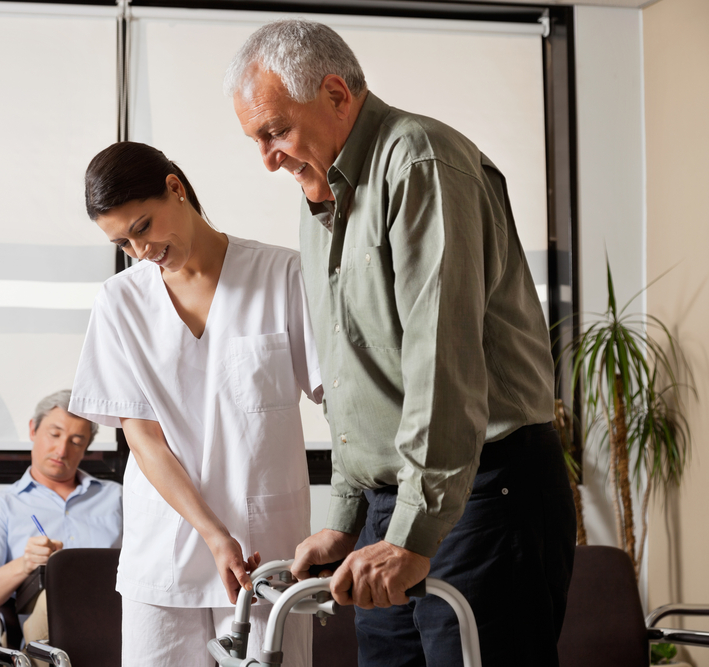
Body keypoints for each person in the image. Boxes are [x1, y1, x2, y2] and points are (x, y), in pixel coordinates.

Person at [225, 19, 576, 667]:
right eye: (257, 140)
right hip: (403, 499)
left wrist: (414, 531)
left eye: (275, 131)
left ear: (336, 94)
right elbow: (353, 372)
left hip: (483, 492)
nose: (268, 158)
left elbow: (441, 364)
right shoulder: (323, 195)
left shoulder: (420, 162)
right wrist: (346, 514)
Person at [68, 141, 323, 667]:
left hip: (267, 552)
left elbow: (341, 400)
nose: (141, 251)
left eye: (143, 228)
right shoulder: (120, 303)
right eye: (123, 242)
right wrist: (214, 533)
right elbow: (143, 438)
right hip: (166, 549)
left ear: (175, 189)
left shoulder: (283, 276)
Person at [0, 389, 122, 644]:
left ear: (86, 448)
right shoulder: (1, 506)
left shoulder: (118, 499)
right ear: (32, 430)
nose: (61, 450)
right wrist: (25, 564)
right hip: (48, 636)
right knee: (55, 598)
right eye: (54, 434)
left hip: (113, 619)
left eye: (75, 441)